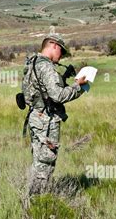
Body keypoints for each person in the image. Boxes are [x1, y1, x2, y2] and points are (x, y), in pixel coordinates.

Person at [24, 34, 88, 196]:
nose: (62, 56)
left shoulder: (32, 62)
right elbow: (58, 96)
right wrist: (78, 86)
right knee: (45, 163)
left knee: (39, 162)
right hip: (46, 121)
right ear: (53, 45)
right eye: (61, 51)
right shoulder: (45, 67)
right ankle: (38, 201)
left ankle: (34, 198)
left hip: (36, 117)